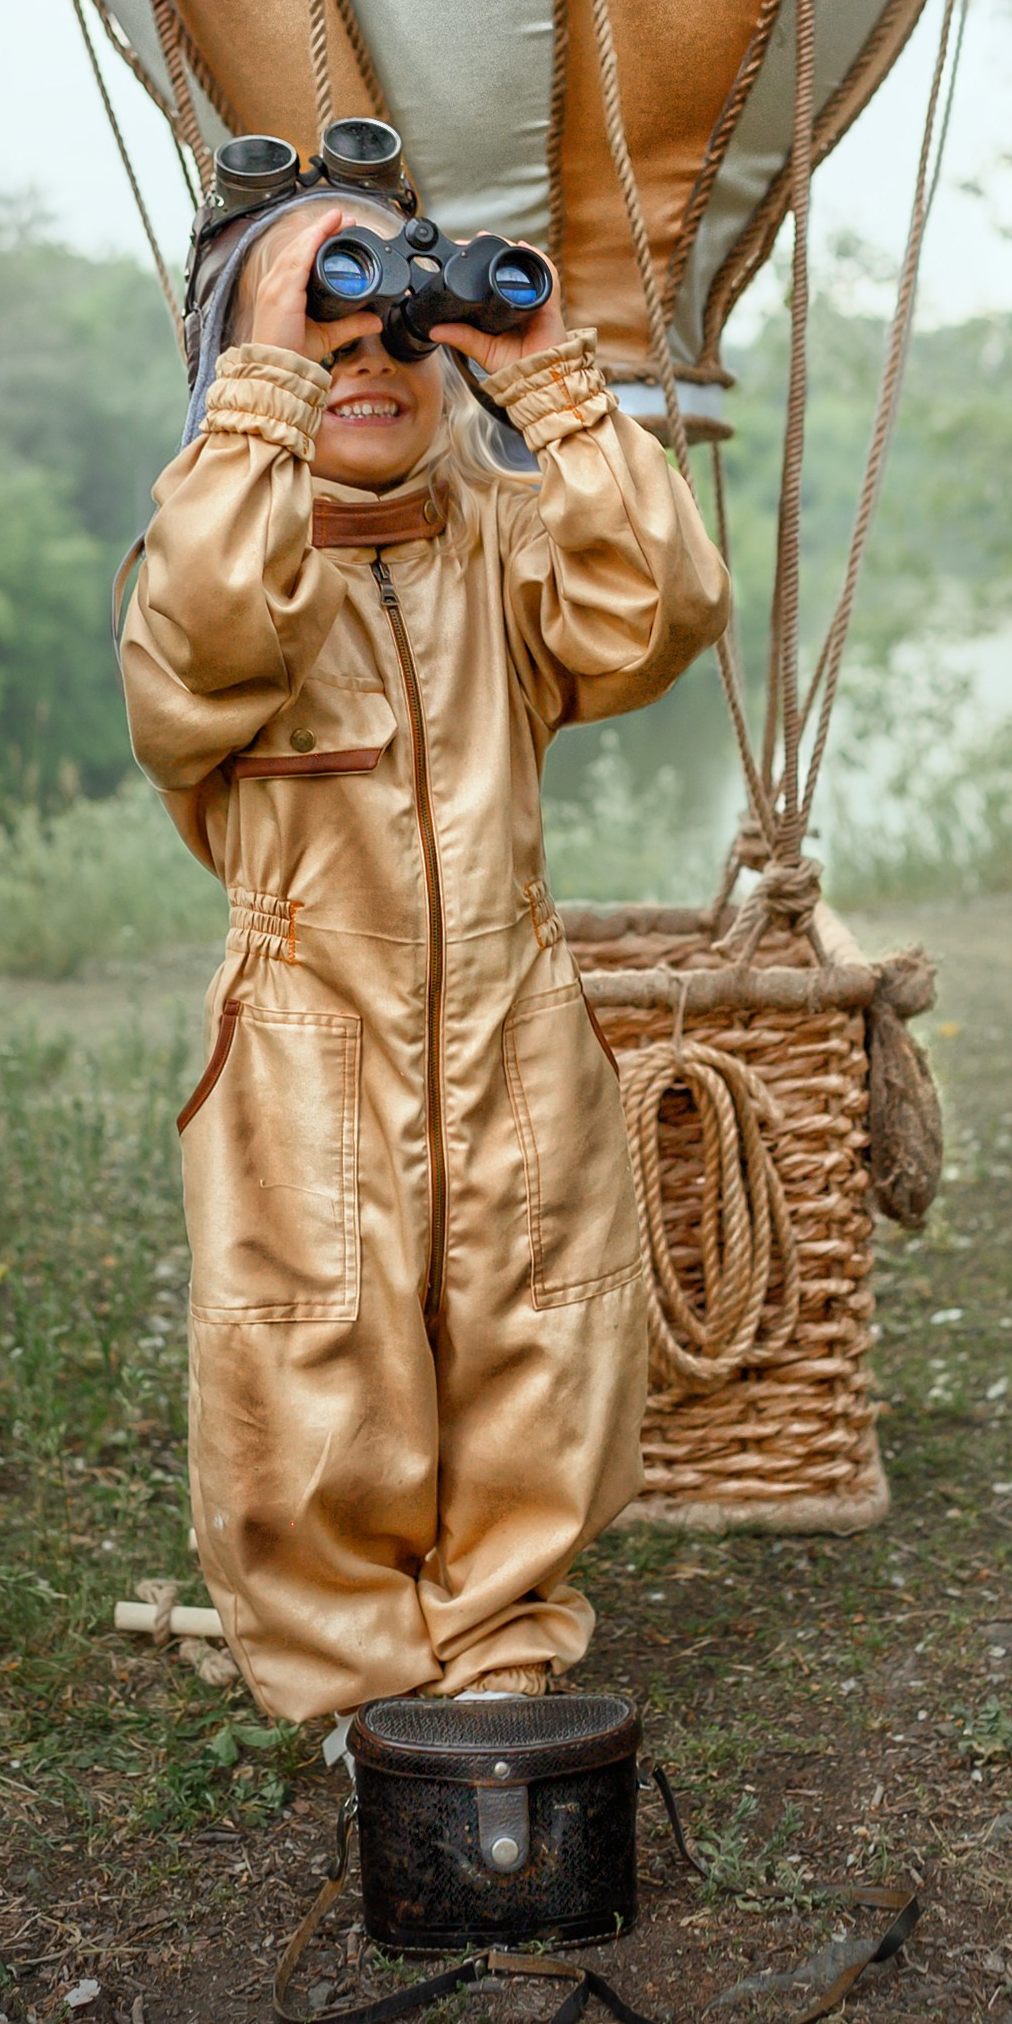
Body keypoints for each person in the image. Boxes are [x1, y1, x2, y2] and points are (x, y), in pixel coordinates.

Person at [119, 133, 731, 1726]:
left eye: (399, 322)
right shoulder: (209, 560)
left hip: (514, 1019)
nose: (366, 361)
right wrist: (262, 378)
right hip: (309, 1030)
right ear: (237, 368)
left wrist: (552, 386)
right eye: (324, 329)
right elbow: (210, 639)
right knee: (316, 1356)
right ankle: (361, 1691)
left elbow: (657, 605)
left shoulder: (499, 540)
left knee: (542, 1333)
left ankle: (502, 1641)